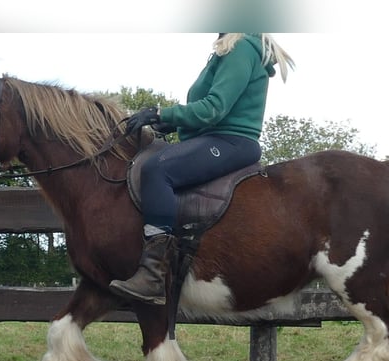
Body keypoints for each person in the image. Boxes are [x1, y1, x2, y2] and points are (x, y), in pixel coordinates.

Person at [109, 33, 295, 305]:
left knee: (157, 170)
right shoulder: (228, 50)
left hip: (230, 141)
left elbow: (214, 109)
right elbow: (212, 112)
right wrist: (171, 124)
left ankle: (153, 274)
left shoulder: (240, 48)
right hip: (215, 137)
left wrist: (163, 113)